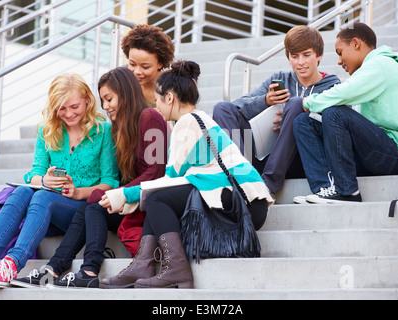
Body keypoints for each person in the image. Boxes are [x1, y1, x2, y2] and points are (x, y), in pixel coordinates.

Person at [99, 60, 274, 289]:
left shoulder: (188, 123)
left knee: (157, 198)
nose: (155, 104)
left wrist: (123, 195)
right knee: (158, 197)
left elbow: (167, 182)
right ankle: (143, 264)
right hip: (248, 203)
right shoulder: (198, 120)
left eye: (158, 98)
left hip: (240, 205)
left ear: (169, 98)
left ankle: (176, 270)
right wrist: (127, 197)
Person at [12, 68, 168, 288]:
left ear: (126, 93)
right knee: (90, 206)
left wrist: (119, 192)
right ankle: (55, 269)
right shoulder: (121, 128)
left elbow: (156, 171)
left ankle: (87, 269)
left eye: (109, 99)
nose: (105, 107)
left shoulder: (151, 116)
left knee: (93, 206)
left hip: (147, 199)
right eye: (103, 100)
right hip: (132, 197)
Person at [0, 73, 120, 288]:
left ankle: (11, 265)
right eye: (61, 108)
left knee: (42, 198)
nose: (68, 114)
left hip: (79, 210)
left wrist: (78, 192)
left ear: (87, 100)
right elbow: (33, 173)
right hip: (43, 213)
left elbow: (110, 181)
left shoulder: (103, 131)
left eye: (74, 106)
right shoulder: (47, 130)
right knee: (23, 191)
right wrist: (44, 180)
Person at [293, 22, 398, 204]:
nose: (339, 61)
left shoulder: (381, 64)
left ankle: (348, 192)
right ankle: (325, 188)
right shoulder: (374, 69)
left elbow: (344, 92)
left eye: (340, 52)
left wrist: (309, 101)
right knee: (303, 122)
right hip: (377, 153)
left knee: (335, 112)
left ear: (355, 44)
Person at [213, 26, 341, 199]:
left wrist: (293, 120)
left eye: (306, 54)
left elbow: (338, 128)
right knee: (223, 108)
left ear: (319, 55)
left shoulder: (332, 85)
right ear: (288, 58)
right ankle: (241, 179)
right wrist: (265, 101)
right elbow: (237, 105)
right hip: (266, 153)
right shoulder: (282, 79)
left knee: (296, 105)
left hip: (302, 160)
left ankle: (268, 186)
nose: (300, 62)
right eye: (294, 56)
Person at [122, 24, 175, 108]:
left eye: (145, 67)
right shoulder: (122, 76)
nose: (137, 72)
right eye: (132, 64)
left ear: (160, 63)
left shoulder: (172, 87)